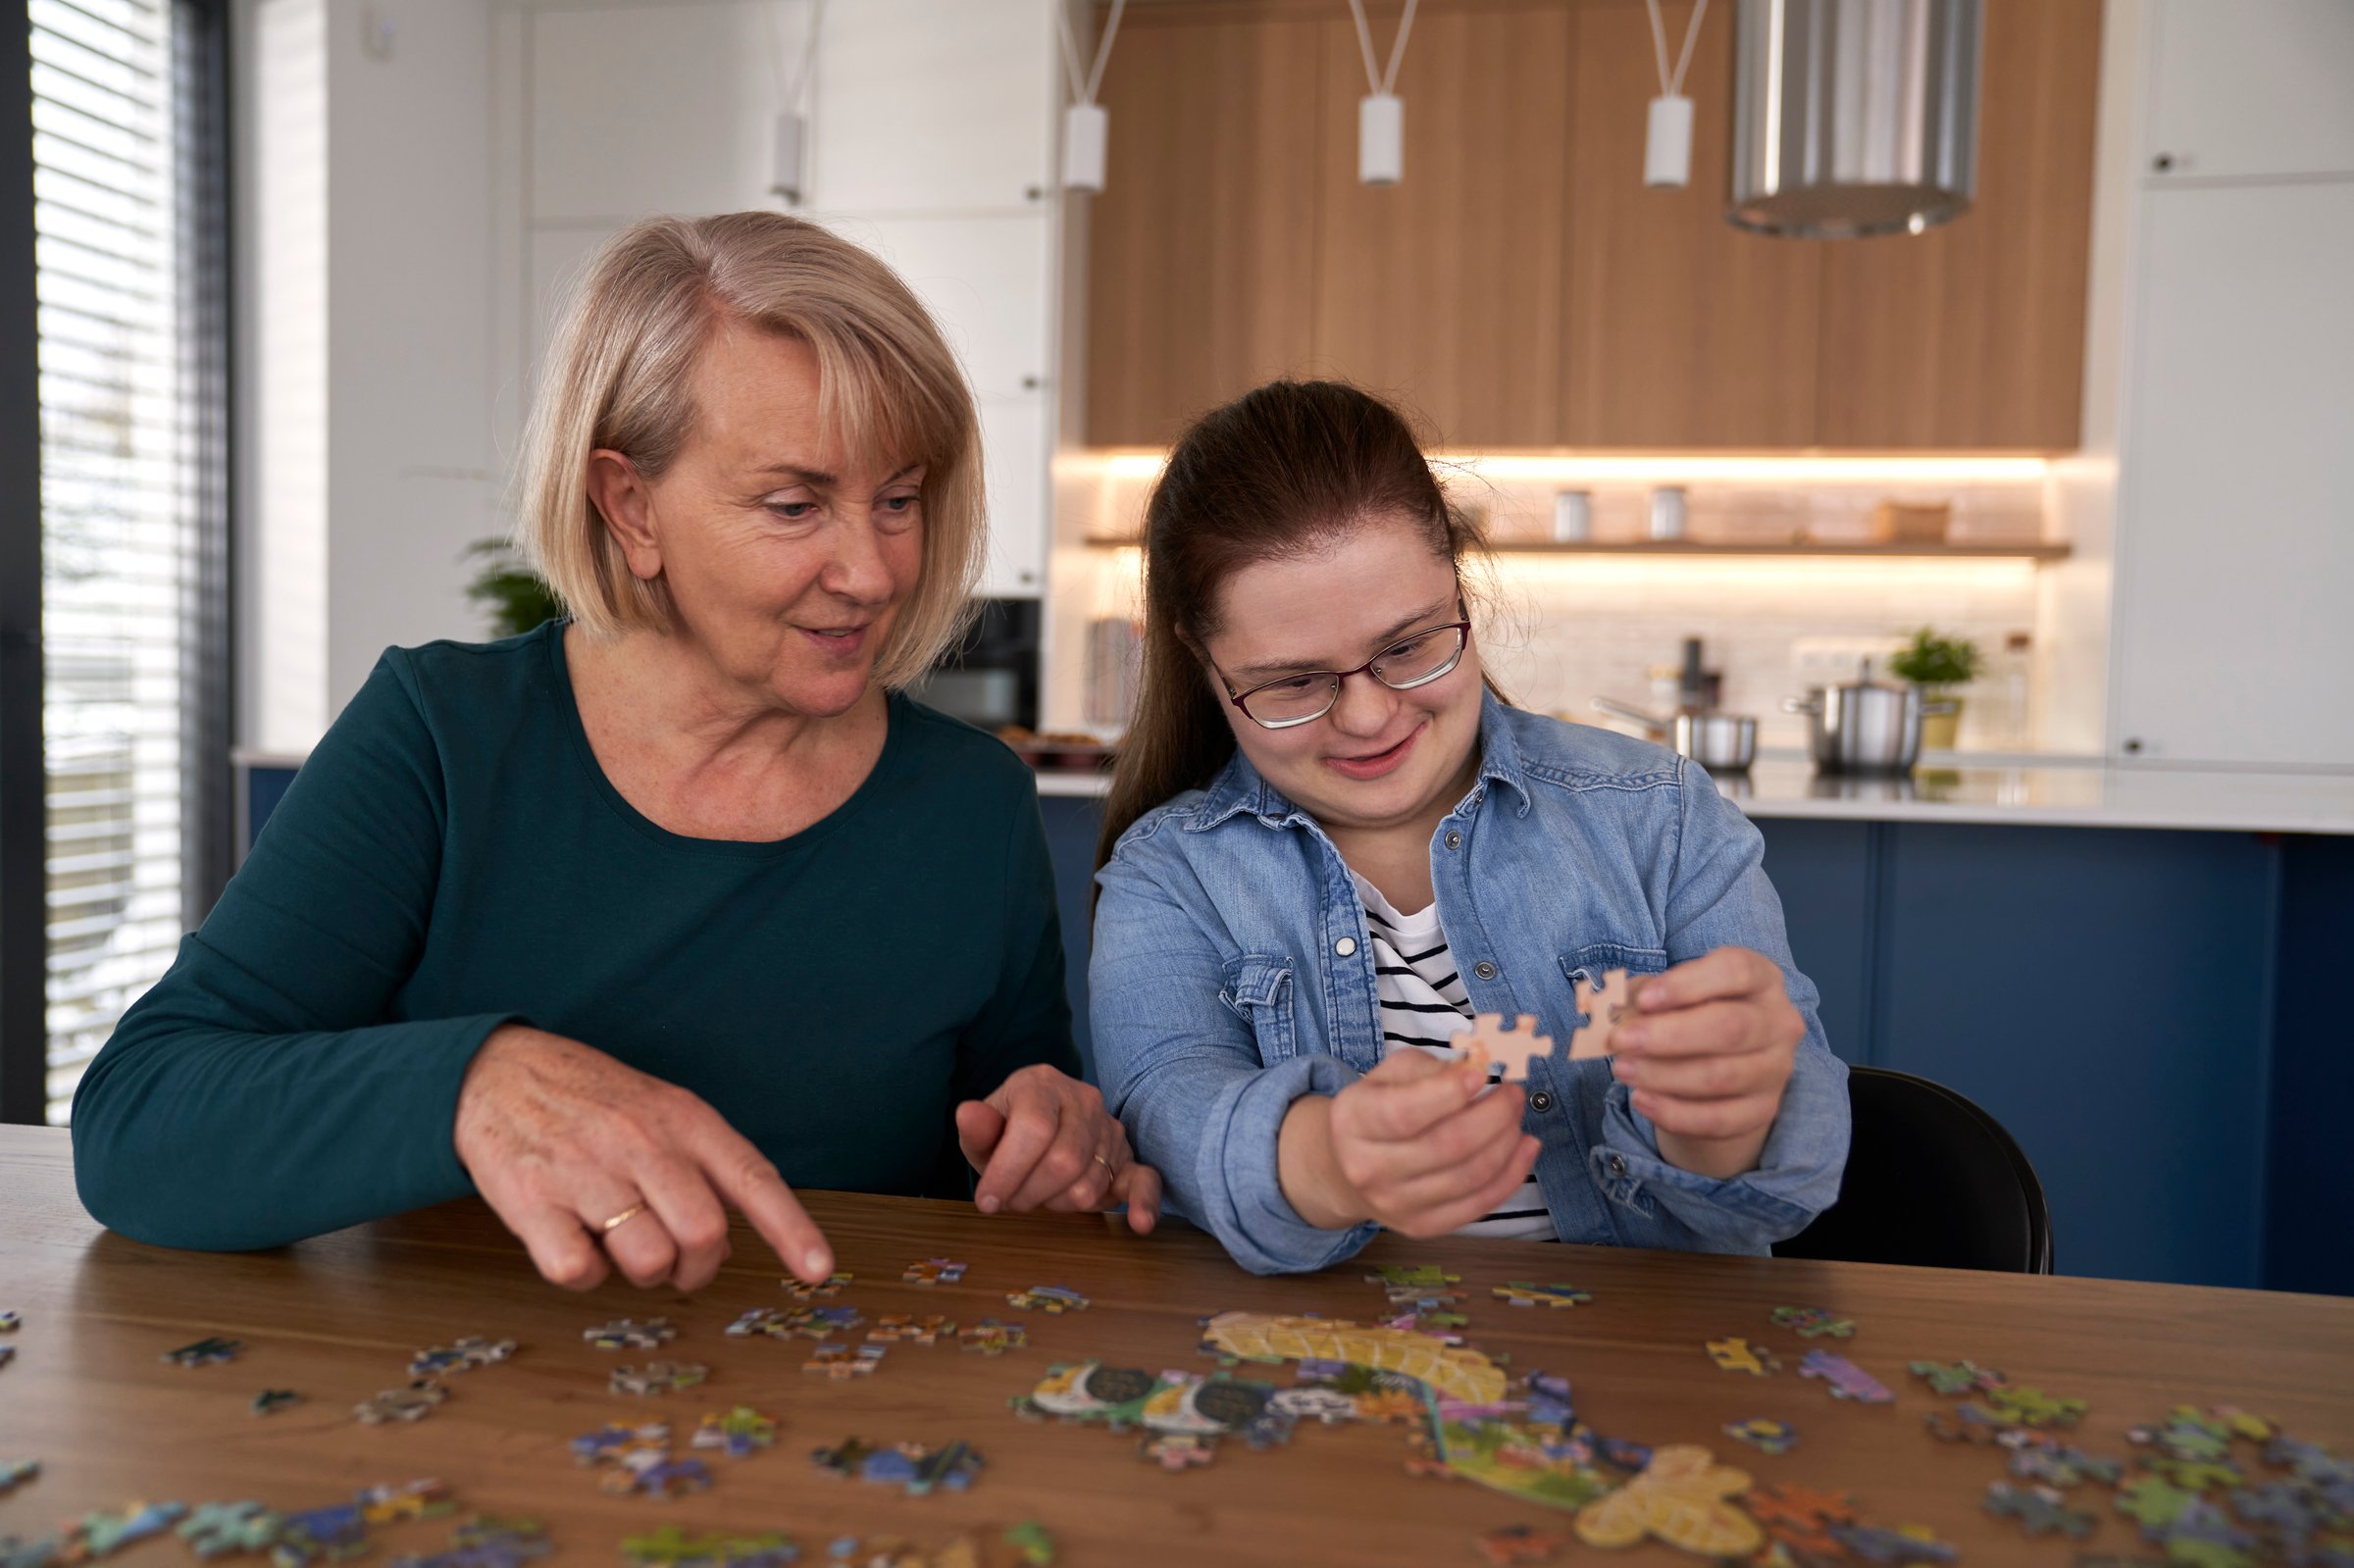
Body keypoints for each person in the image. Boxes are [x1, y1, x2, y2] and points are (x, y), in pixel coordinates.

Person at [72, 212, 1158, 1292]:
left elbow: (1019, 1125)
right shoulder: (441, 737)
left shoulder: (971, 802)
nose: (872, 572)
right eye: (795, 505)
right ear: (630, 505)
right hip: (475, 1425)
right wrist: (470, 1083)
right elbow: (141, 1120)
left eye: (899, 501)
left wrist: (1058, 1134)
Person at [1089, 380, 1845, 1275]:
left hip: (1646, 1363)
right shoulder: (1168, 875)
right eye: (1293, 682)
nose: (1369, 717)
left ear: (1461, 585)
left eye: (1408, 646)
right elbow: (1176, 1103)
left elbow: (1779, 1191)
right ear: (1202, 662)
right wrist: (1330, 1159)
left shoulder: (1662, 817)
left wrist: (1721, 1116)